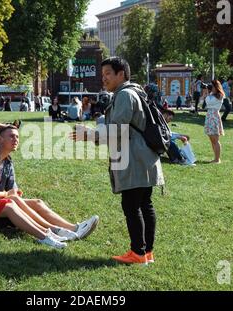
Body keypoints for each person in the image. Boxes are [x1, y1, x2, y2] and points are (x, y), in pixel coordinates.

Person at [71, 57, 165, 265]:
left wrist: (90, 134)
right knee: (144, 204)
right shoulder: (136, 91)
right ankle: (146, 252)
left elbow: (117, 130)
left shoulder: (124, 95)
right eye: (102, 74)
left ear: (121, 74)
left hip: (134, 158)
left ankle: (138, 253)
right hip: (145, 157)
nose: (103, 78)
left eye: (108, 74)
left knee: (132, 205)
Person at [0, 126, 99, 241]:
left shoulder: (8, 162)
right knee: (18, 202)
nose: (16, 140)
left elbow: (12, 187)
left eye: (17, 137)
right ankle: (53, 230)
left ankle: (74, 228)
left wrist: (16, 192)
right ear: (0, 139)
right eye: (12, 136)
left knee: (37, 202)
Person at [204, 80, 225, 164]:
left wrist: (207, 93)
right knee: (211, 139)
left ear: (216, 87)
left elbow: (208, 102)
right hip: (210, 115)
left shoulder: (220, 95)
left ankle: (217, 159)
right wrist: (208, 93)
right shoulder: (212, 95)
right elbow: (206, 103)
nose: (210, 87)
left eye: (212, 86)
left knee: (215, 139)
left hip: (214, 116)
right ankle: (215, 158)